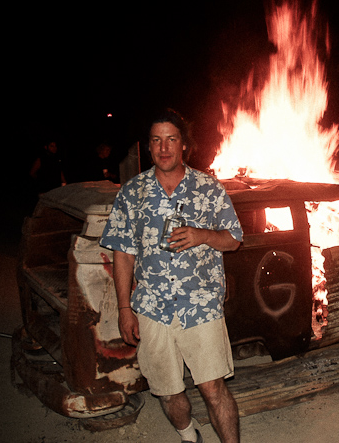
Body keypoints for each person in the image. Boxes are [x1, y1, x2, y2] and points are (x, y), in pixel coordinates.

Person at [99, 109, 243, 443]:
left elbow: (234, 239)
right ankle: (188, 436)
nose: (164, 148)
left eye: (171, 139)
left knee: (213, 388)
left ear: (184, 146)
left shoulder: (208, 188)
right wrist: (124, 309)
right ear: (149, 147)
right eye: (156, 140)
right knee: (168, 392)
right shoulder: (132, 193)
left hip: (200, 305)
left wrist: (203, 235)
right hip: (152, 309)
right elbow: (123, 252)